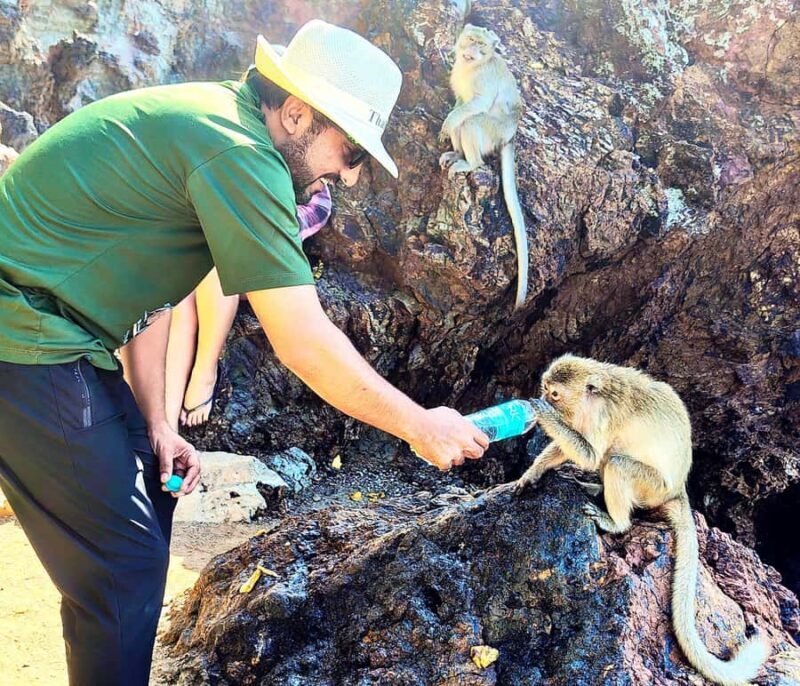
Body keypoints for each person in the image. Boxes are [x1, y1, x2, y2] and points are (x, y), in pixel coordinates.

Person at [0, 19, 489, 686]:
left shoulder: (219, 126)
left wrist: (157, 422)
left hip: (57, 334)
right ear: (296, 113)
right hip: (25, 334)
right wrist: (419, 425)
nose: (348, 177)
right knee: (122, 567)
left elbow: (152, 298)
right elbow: (302, 339)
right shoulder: (240, 154)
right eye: (351, 151)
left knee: (154, 487)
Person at [164, 183, 333, 429]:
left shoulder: (310, 186)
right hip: (210, 237)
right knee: (181, 302)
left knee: (215, 266)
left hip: (254, 256)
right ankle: (166, 425)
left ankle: (204, 372)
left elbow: (277, 227)